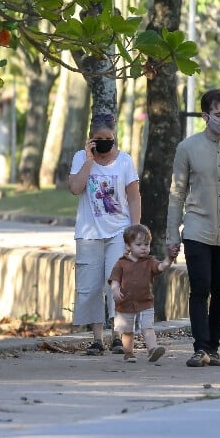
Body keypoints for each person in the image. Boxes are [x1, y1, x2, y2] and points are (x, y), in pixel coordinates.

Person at [166, 88, 220, 368]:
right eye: (218, 114)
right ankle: (200, 348)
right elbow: (177, 194)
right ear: (205, 115)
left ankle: (213, 348)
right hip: (196, 228)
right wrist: (172, 235)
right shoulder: (187, 148)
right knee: (200, 287)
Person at [68, 112, 142, 356]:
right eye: (99, 139)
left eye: (108, 138)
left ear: (115, 137)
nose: (104, 142)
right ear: (90, 139)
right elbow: (76, 188)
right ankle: (97, 338)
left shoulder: (125, 161)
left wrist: (135, 230)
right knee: (89, 287)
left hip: (118, 232)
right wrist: (89, 160)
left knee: (116, 284)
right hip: (89, 233)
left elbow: (133, 196)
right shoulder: (80, 158)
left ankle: (117, 336)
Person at [108, 224, 172, 363]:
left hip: (145, 302)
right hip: (125, 303)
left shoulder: (150, 261)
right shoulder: (121, 263)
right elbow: (114, 280)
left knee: (147, 327)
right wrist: (115, 290)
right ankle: (129, 353)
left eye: (146, 244)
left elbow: (161, 267)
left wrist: (169, 259)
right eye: (139, 244)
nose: (144, 247)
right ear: (128, 246)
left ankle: (153, 349)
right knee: (127, 331)